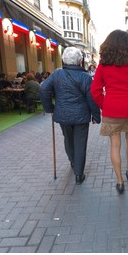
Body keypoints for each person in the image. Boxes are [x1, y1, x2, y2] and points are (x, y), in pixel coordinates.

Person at [91, 30, 128, 194]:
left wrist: (105, 104)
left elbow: (95, 90)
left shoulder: (103, 64)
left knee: (114, 144)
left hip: (111, 109)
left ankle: (119, 181)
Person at [40, 46, 101, 185]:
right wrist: (96, 116)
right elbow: (92, 98)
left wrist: (49, 108)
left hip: (63, 114)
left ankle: (73, 162)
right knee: (80, 142)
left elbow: (43, 88)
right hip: (81, 115)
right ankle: (79, 174)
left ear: (64, 60)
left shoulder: (57, 74)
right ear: (80, 61)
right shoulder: (85, 77)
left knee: (68, 139)